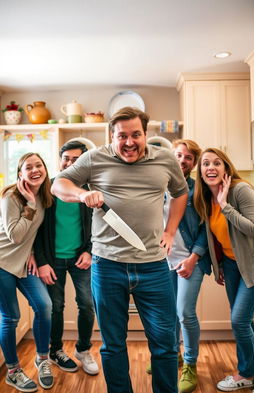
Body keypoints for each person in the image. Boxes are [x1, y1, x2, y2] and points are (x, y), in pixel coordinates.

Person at [51, 106, 188, 393]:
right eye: (121, 136)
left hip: (153, 266)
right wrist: (82, 193)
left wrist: (170, 230)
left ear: (145, 134)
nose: (129, 142)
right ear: (111, 136)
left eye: (135, 134)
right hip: (107, 265)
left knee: (164, 344)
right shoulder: (94, 158)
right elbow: (58, 185)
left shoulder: (165, 159)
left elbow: (180, 192)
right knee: (113, 345)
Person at [33, 140, 99, 375]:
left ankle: (83, 349)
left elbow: (97, 225)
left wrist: (89, 251)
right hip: (52, 261)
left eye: (76, 159)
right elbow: (36, 231)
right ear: (59, 159)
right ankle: (56, 351)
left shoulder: (88, 191)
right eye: (66, 158)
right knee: (55, 307)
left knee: (87, 304)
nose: (70, 163)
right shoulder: (47, 189)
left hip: (81, 258)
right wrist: (41, 262)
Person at [194, 147, 254, 392]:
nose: (211, 167)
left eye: (217, 163)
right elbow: (215, 236)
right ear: (200, 172)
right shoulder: (205, 198)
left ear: (226, 168)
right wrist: (218, 264)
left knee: (239, 321)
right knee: (245, 322)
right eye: (206, 163)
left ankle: (246, 374)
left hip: (251, 264)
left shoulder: (239, 190)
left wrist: (225, 206)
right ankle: (251, 370)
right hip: (231, 265)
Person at [0, 152, 54, 392]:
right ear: (20, 174)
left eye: (38, 165)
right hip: (2, 263)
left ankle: (43, 359)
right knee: (10, 318)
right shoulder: (11, 196)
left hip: (24, 263)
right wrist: (30, 205)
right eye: (28, 167)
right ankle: (13, 371)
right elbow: (15, 235)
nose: (35, 170)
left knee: (44, 306)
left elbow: (32, 235)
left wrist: (32, 253)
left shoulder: (45, 196)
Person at [164, 140, 211, 393]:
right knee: (169, 313)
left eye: (189, 157)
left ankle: (190, 364)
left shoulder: (198, 191)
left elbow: (206, 229)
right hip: (162, 261)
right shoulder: (157, 186)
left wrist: (194, 258)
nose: (183, 160)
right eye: (179, 155)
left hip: (191, 260)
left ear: (194, 163)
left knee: (185, 313)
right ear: (171, 156)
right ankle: (174, 356)